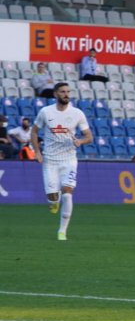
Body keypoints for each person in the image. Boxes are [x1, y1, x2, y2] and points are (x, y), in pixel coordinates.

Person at [30, 82, 93, 241]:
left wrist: (80, 141)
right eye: (63, 92)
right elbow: (34, 131)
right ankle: (53, 201)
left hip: (69, 160)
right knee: (53, 198)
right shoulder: (45, 112)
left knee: (67, 193)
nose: (66, 94)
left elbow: (89, 137)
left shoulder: (77, 113)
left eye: (68, 92)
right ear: (55, 94)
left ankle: (62, 231)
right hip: (50, 160)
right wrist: (37, 151)